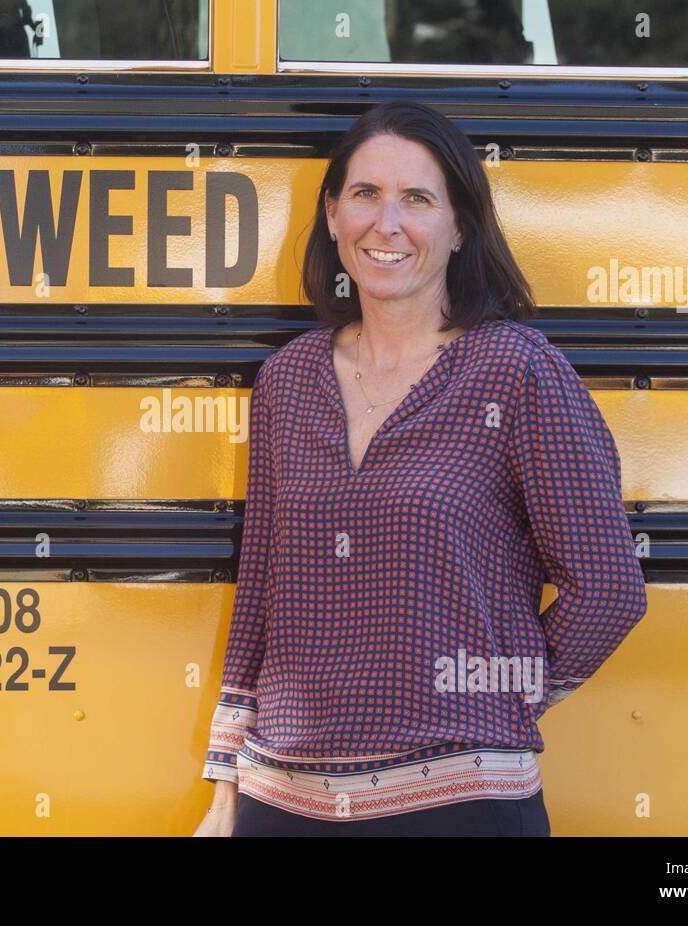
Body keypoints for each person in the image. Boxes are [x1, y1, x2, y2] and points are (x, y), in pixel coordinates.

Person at [192, 101, 648, 837]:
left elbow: (609, 591)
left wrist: (494, 692)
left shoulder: (518, 372)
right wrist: (225, 785)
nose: (387, 223)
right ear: (333, 211)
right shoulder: (287, 380)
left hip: (458, 805)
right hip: (283, 803)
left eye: (418, 199)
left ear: (461, 226)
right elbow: (260, 597)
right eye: (366, 194)